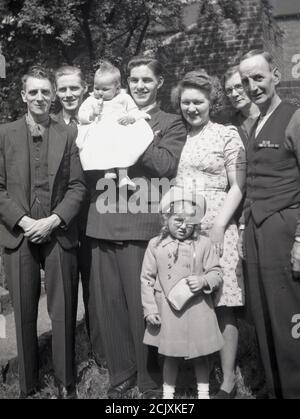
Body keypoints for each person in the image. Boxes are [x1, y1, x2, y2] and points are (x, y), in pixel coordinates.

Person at [85, 55, 187, 398]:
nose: (139, 86)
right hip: (103, 219)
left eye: (147, 80)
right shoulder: (108, 112)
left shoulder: (170, 122)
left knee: (145, 307)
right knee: (109, 306)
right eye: (134, 80)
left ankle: (149, 378)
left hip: (142, 223)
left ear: (159, 82)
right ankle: (121, 374)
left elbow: (166, 165)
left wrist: (136, 133)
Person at [0, 66, 87, 398]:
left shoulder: (67, 134)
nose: (39, 97)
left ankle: (67, 383)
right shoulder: (4, 133)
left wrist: (53, 220)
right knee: (22, 310)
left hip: (57, 231)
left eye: (44, 92)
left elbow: (78, 187)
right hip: (18, 232)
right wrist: (24, 221)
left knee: (63, 307)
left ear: (53, 95)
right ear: (23, 95)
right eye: (32, 92)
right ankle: (28, 384)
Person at [174, 70, 246, 399]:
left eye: (198, 102)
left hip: (218, 228)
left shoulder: (226, 134)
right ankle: (199, 376)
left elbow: (237, 185)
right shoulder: (178, 137)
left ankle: (228, 379)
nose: (191, 108)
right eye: (186, 101)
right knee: (194, 301)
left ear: (210, 102)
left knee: (223, 302)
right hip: (184, 230)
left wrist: (219, 224)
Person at [238, 49, 300, 399]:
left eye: (258, 77)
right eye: (246, 80)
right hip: (257, 232)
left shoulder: (294, 117)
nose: (252, 86)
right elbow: (250, 183)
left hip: (285, 229)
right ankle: (274, 386)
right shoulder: (252, 123)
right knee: (263, 313)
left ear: (275, 75)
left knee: (289, 316)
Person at [141, 186, 224, 399]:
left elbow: (216, 272)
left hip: (198, 309)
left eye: (189, 222)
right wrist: (150, 309)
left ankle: (203, 393)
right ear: (166, 218)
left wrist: (204, 280)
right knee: (170, 355)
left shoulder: (203, 244)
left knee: (200, 356)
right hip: (168, 311)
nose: (183, 226)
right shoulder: (156, 245)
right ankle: (168, 395)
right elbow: (147, 279)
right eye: (178, 220)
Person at [53, 65, 105, 367]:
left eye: (74, 88)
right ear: (56, 93)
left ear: (84, 87)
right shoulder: (50, 124)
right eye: (63, 89)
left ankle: (101, 356)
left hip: (95, 216)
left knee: (96, 292)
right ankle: (66, 361)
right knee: (64, 294)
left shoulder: (99, 118)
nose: (69, 94)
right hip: (63, 222)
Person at [77, 60, 154, 188]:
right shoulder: (91, 100)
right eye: (96, 88)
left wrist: (130, 118)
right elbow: (81, 115)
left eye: (105, 89)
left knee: (122, 148)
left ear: (117, 88)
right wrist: (92, 114)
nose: (100, 92)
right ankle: (108, 170)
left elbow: (134, 111)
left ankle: (123, 177)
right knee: (99, 143)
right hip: (100, 129)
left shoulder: (123, 98)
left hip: (119, 128)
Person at [224, 65, 260, 145]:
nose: (234, 94)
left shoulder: (272, 116)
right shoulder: (230, 126)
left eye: (239, 86)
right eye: (229, 90)